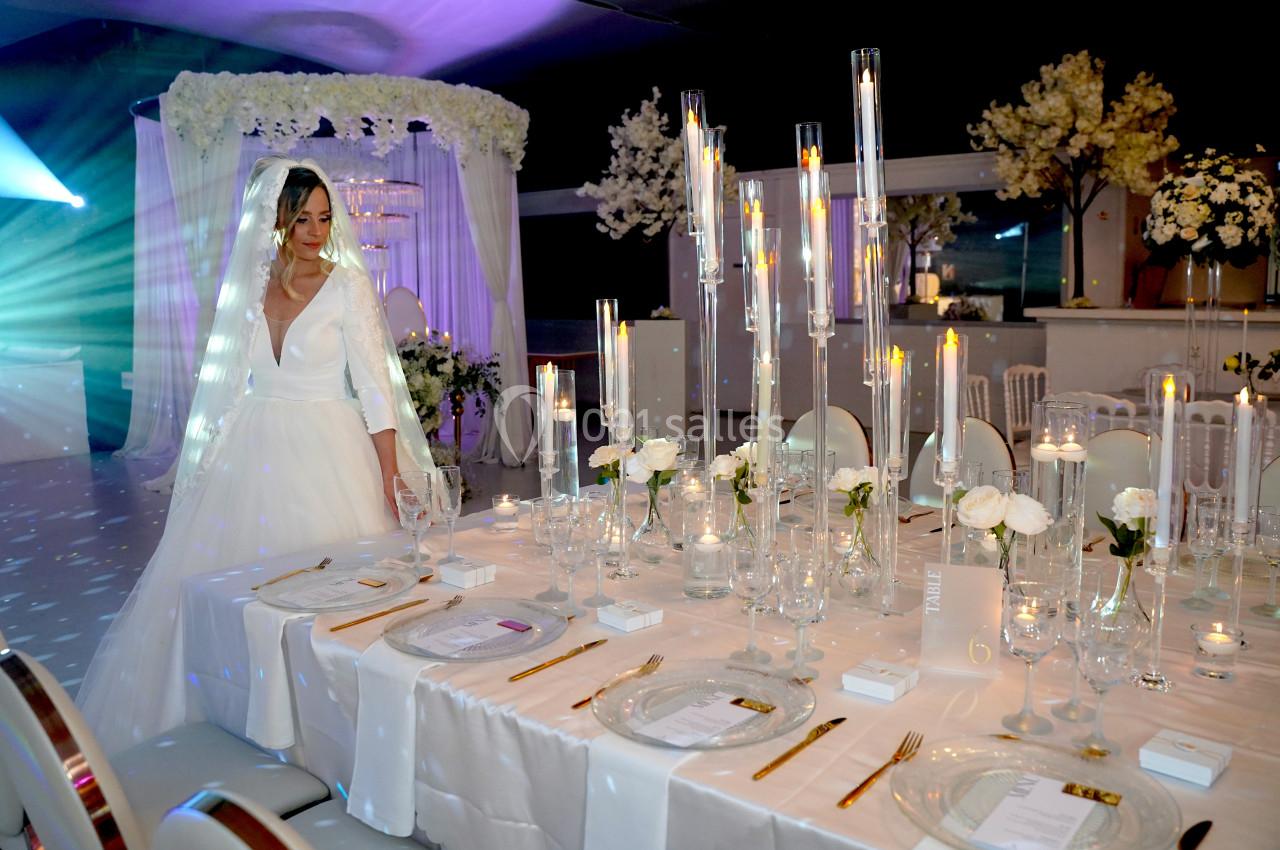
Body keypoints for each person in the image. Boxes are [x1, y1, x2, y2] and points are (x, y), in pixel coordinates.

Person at [77, 156, 435, 754]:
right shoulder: (249, 282)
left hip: (328, 446)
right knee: (238, 592)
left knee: (332, 593)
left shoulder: (347, 285)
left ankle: (327, 730)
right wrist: (206, 462)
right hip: (253, 444)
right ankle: (244, 710)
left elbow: (375, 387)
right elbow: (226, 380)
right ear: (277, 220)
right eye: (302, 219)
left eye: (323, 217)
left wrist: (390, 473)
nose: (316, 230)